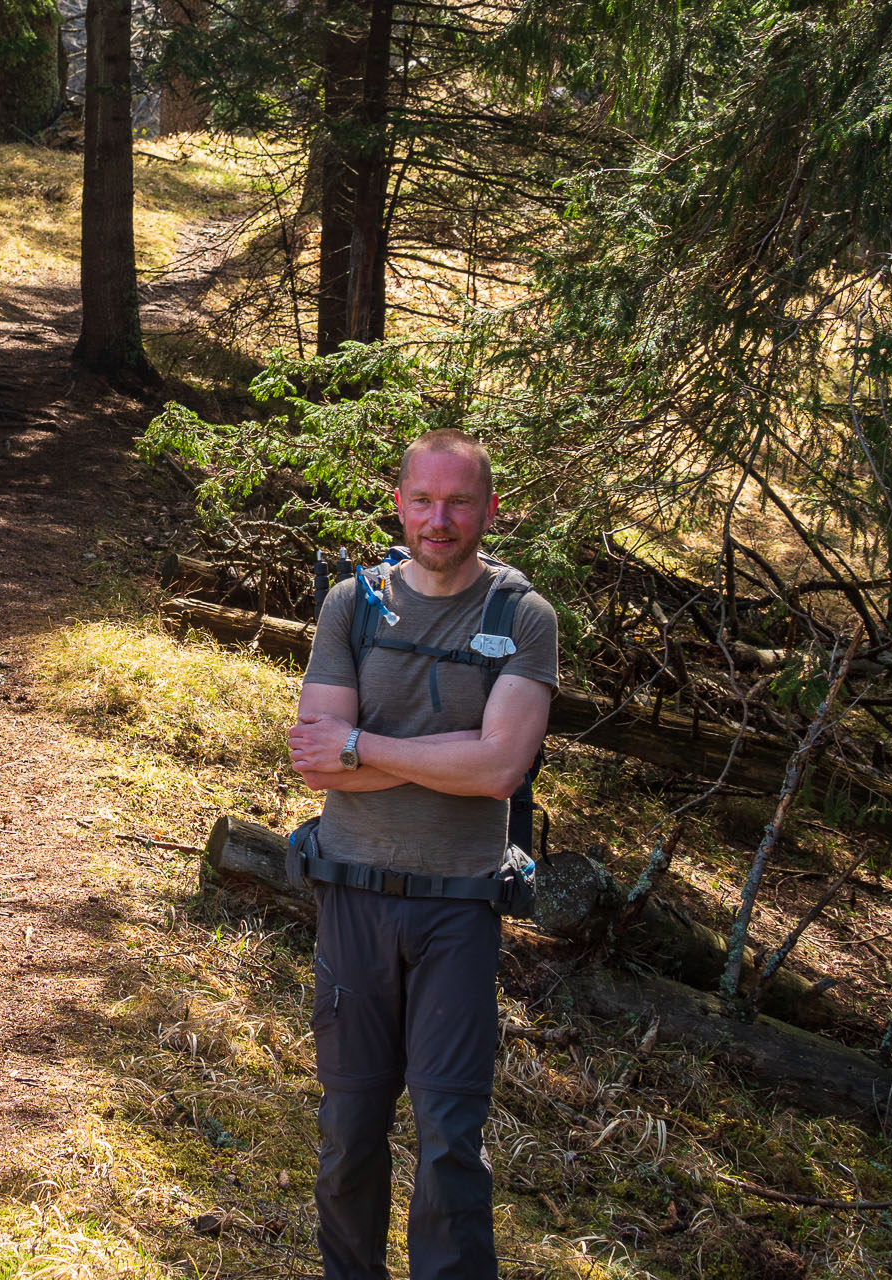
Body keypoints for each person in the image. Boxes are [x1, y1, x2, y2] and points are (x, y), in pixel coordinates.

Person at [287, 428, 557, 1280]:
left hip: (459, 908)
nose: (440, 520)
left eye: (460, 502)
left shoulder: (521, 617)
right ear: (399, 503)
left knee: (448, 1140)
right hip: (352, 898)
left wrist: (367, 747)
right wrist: (448, 755)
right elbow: (312, 758)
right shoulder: (353, 605)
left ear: (490, 509)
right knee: (348, 1134)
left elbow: (501, 769)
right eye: (424, 500)